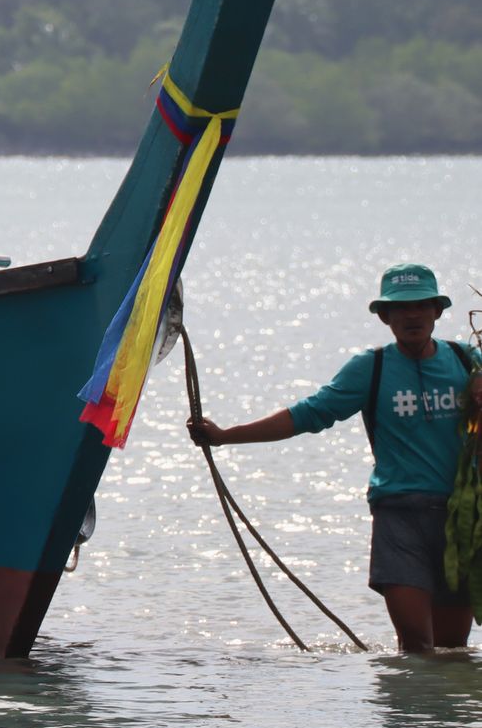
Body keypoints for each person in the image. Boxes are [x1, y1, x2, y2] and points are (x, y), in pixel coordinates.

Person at [188, 263, 482, 653]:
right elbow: (309, 414)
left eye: (421, 306)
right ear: (385, 316)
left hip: (461, 518)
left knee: (453, 649)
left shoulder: (467, 361)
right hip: (399, 515)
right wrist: (226, 436)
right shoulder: (371, 368)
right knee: (415, 644)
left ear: (437, 311)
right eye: (400, 308)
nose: (412, 315)